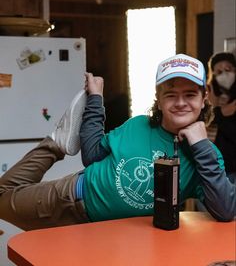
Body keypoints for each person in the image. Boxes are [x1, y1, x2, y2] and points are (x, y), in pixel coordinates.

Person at [0, 53, 235, 231]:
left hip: (105, 232)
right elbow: (92, 156)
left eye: (190, 95)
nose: (180, 103)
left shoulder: (206, 155)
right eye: (171, 95)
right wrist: (95, 100)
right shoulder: (139, 125)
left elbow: (226, 211)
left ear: (204, 98)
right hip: (70, 197)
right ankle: (56, 144)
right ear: (159, 99)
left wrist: (201, 146)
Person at [207, 52, 236, 183]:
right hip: (217, 169)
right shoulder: (211, 101)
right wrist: (217, 110)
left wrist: (219, 114)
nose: (224, 74)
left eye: (228, 69)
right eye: (218, 72)